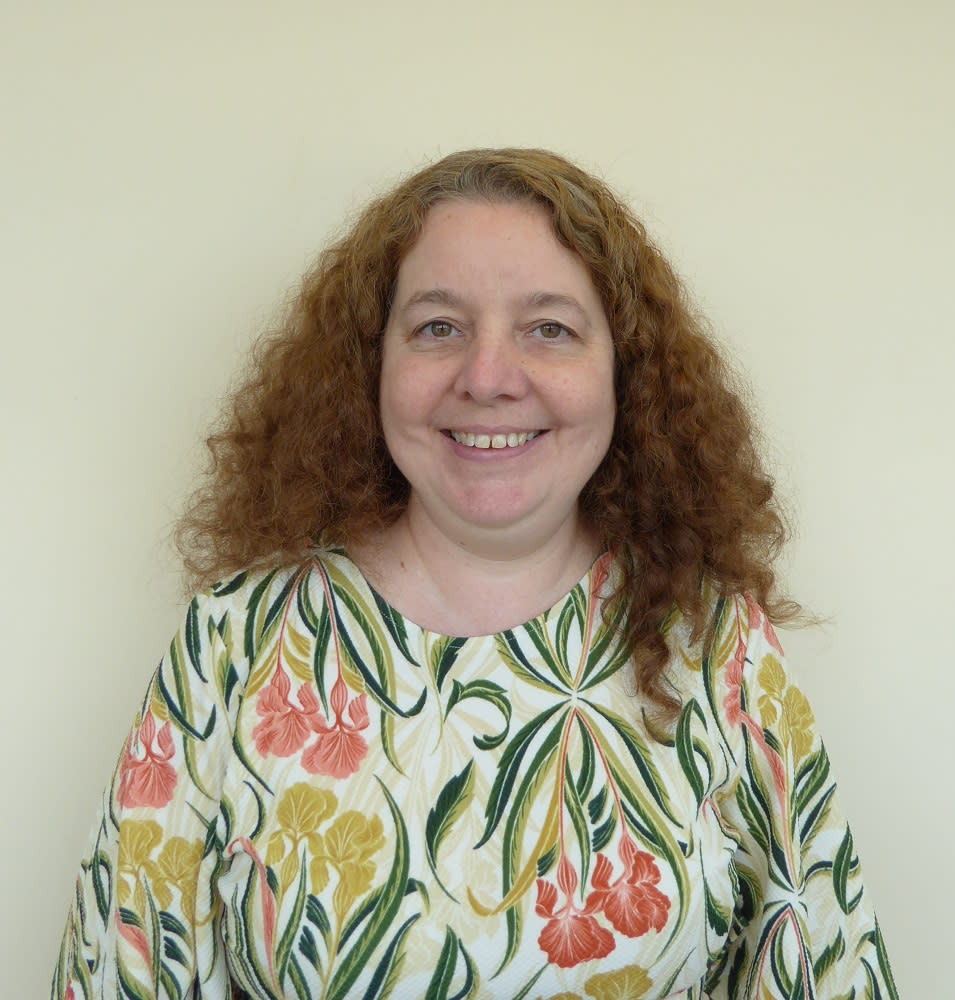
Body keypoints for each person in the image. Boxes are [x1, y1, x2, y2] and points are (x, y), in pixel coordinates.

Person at [52, 148, 897, 1000]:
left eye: (549, 329)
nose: (488, 378)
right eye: (438, 327)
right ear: (369, 368)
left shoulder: (716, 650)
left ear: (623, 375)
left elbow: (827, 971)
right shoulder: (232, 645)